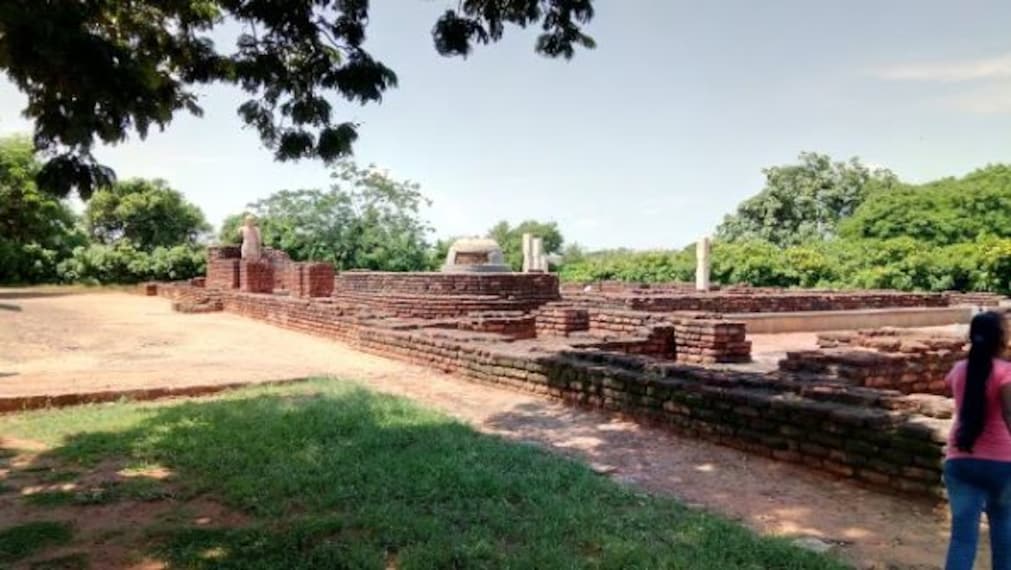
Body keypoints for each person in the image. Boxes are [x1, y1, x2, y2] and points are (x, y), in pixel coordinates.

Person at [944, 310, 1011, 569]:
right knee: (1004, 533)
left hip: (961, 458)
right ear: (1001, 339)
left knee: (962, 538)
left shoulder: (959, 370)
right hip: (1002, 463)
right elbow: (1008, 412)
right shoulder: (1005, 372)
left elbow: (956, 390)